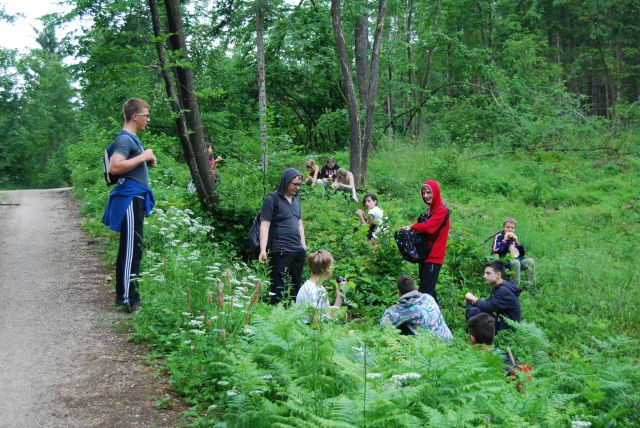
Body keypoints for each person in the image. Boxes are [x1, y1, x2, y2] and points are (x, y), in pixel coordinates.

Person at [102, 98, 157, 312]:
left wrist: (145, 160)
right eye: (146, 115)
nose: (148, 120)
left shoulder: (132, 139)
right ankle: (127, 297)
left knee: (134, 249)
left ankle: (127, 294)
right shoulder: (125, 139)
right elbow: (115, 167)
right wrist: (143, 156)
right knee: (131, 250)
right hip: (129, 200)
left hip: (135, 198)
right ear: (135, 116)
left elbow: (128, 165)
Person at [258, 168, 307, 303]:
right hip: (280, 249)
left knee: (295, 285)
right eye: (294, 184)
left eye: (299, 185)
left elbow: (299, 224)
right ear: (286, 182)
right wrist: (263, 249)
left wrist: (303, 246)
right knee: (278, 287)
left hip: (297, 251)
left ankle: (292, 315)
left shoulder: (296, 201)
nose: (297, 188)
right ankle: (275, 315)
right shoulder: (271, 199)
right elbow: (265, 225)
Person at [403, 180, 450, 302]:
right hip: (425, 255)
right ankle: (438, 319)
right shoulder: (429, 211)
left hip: (434, 257)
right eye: (423, 193)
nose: (426, 196)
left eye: (429, 192)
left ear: (436, 193)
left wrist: (413, 226)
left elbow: (429, 227)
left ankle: (426, 320)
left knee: (426, 293)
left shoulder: (442, 210)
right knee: (429, 292)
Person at [380, 275, 453, 339]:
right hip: (447, 340)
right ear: (416, 288)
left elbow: (383, 326)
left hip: (429, 348)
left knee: (401, 326)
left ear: (399, 293)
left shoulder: (400, 310)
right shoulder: (428, 297)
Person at [465, 261, 522, 333]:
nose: (484, 276)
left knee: (475, 311)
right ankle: (474, 336)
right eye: (484, 273)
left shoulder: (503, 290)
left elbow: (488, 307)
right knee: (475, 308)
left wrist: (472, 298)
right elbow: (491, 304)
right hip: (504, 321)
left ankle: (474, 337)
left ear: (498, 274)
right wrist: (473, 301)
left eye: (488, 273)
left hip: (508, 327)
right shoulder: (501, 286)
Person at [295, 250, 344, 321]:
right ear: (328, 269)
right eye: (332, 265)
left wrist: (340, 291)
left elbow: (329, 314)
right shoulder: (311, 289)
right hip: (310, 330)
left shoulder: (320, 288)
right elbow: (315, 322)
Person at [491, 217, 536, 290]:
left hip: (514, 258)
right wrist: (505, 240)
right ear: (503, 228)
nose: (510, 229)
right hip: (502, 259)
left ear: (514, 229)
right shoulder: (499, 237)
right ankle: (514, 289)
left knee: (530, 261)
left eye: (512, 228)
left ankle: (531, 289)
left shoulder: (513, 238)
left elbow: (521, 254)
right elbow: (495, 251)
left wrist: (517, 242)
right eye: (507, 227)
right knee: (516, 263)